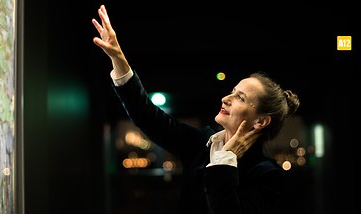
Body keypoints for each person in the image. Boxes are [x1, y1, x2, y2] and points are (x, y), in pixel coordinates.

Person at [92, 4, 300, 214]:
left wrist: (225, 161)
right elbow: (146, 115)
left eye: (240, 98)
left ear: (261, 121)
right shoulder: (202, 144)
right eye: (232, 91)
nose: (226, 98)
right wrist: (118, 58)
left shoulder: (268, 176)